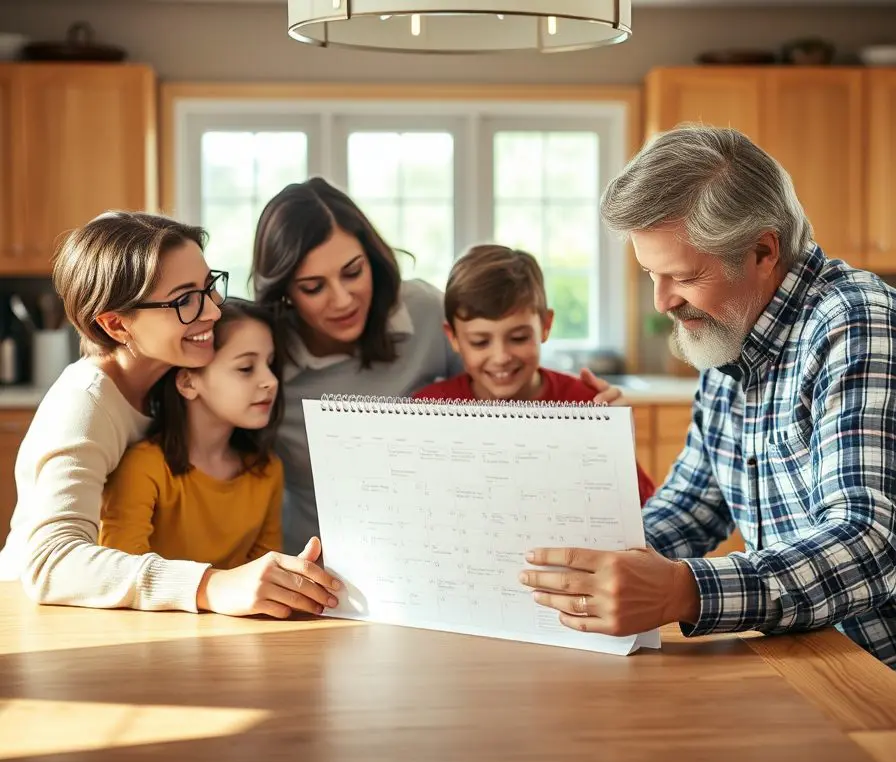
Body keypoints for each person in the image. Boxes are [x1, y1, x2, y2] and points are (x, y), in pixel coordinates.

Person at [517, 124, 896, 734]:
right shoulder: (727, 340)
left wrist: (682, 591)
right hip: (806, 662)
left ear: (762, 250)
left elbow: (865, 544)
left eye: (683, 276)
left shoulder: (860, 328)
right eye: (651, 274)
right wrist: (568, 565)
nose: (661, 301)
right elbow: (691, 509)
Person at [251, 177, 626, 555]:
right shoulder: (261, 357)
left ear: (373, 258)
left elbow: (491, 387)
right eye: (313, 287)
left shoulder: (425, 312)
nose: (343, 299)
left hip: (439, 551)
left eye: (353, 272)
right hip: (314, 561)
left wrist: (589, 428)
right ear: (284, 290)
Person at [0, 212, 340, 618]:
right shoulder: (84, 403)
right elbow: (51, 563)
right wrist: (212, 584)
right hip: (36, 616)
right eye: (184, 300)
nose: (213, 311)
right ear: (115, 325)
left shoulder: (170, 377)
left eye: (208, 288)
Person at [412, 243, 656, 506]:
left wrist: (619, 444)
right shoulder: (429, 409)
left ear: (545, 325)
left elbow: (643, 509)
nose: (501, 357)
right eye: (480, 342)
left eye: (518, 338)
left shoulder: (586, 406)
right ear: (454, 338)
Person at [100, 299, 292, 602]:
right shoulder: (144, 467)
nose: (270, 381)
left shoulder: (267, 470)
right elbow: (120, 577)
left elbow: (264, 581)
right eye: (245, 368)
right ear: (188, 382)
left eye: (270, 364)